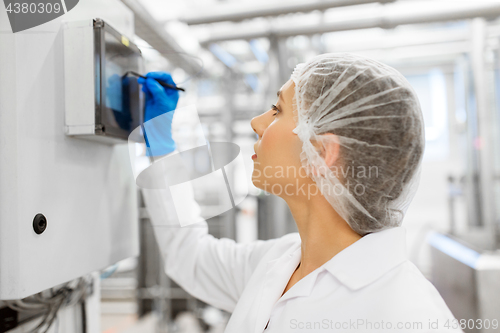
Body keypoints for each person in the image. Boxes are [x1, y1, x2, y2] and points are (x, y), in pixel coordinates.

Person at [139, 54, 463, 333]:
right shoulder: (277, 262)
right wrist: (162, 146)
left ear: (323, 153)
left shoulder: (410, 317)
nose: (256, 122)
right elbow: (190, 257)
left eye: (276, 111)